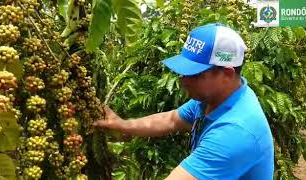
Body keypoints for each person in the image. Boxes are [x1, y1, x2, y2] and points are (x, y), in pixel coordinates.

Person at [93, 23, 274, 180]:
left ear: (226, 74)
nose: (182, 79)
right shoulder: (214, 98)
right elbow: (171, 120)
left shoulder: (235, 132)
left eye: (194, 73)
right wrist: (122, 125)